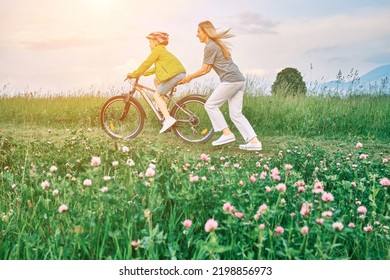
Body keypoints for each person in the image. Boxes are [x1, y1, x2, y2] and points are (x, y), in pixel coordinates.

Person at [180, 21, 262, 151]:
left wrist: (189, 77)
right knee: (236, 114)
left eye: (198, 32)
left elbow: (204, 70)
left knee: (210, 105)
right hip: (239, 80)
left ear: (205, 32)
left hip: (231, 80)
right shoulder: (215, 45)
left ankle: (226, 133)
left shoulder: (210, 46)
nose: (197, 35)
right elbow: (207, 70)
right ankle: (254, 141)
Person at [127, 31, 186, 133]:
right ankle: (161, 104)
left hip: (175, 75)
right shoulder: (162, 51)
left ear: (156, 42)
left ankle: (168, 119)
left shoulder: (157, 50)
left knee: (156, 95)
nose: (149, 45)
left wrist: (134, 74)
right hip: (177, 73)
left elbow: (147, 63)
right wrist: (142, 73)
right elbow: (155, 68)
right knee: (156, 80)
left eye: (150, 42)